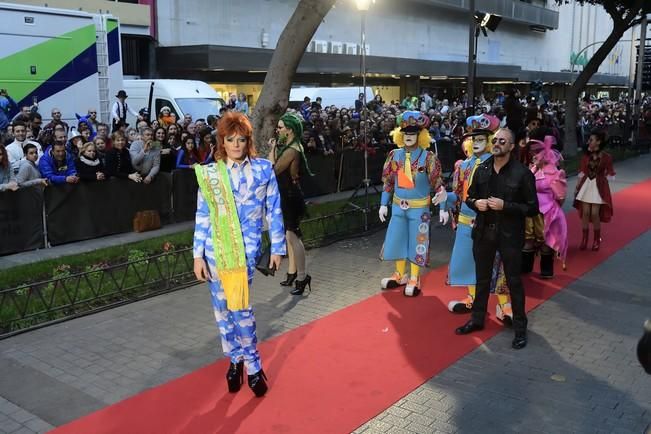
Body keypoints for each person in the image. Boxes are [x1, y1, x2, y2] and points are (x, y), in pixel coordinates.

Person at [193, 111, 286, 397]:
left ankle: (254, 366)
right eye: (230, 139)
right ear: (222, 141)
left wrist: (278, 247)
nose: (235, 144)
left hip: (245, 253)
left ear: (248, 141)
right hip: (215, 252)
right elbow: (203, 214)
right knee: (222, 310)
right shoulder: (211, 174)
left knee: (240, 308)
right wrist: (198, 254)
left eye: (241, 139)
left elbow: (274, 208)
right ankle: (235, 360)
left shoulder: (263, 169)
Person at [456, 127, 539, 350]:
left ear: (512, 146)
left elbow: (532, 208)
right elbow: (469, 196)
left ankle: (520, 328)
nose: (497, 143)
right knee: (481, 279)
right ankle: (477, 319)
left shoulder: (522, 174)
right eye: (496, 140)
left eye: (503, 141)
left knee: (513, 281)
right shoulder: (482, 168)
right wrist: (476, 203)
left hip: (510, 235)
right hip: (484, 232)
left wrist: (507, 206)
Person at [443, 128, 513, 324]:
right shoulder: (463, 166)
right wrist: (444, 198)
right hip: (466, 223)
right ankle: (473, 299)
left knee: (497, 264)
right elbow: (457, 196)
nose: (476, 142)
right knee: (468, 263)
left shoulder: (498, 165)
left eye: (481, 139)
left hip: (490, 223)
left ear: (490, 141)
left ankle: (503, 305)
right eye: (473, 139)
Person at [378, 111, 447, 296]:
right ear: (401, 134)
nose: (409, 137)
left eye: (413, 134)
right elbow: (388, 182)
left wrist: (443, 207)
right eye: (406, 133)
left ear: (420, 135)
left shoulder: (428, 157)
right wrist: (383, 204)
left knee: (418, 242)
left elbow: (438, 184)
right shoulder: (394, 155)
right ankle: (399, 274)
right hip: (398, 207)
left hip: (419, 209)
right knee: (397, 239)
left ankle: (414, 277)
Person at [268, 113, 312, 295]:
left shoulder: (293, 149)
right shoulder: (288, 146)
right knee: (289, 236)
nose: (277, 131)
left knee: (293, 237)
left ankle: (302, 277)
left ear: (290, 130)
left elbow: (274, 170)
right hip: (286, 194)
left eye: (280, 128)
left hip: (290, 196)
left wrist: (271, 150)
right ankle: (292, 272)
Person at [521, 130, 568, 278]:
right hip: (530, 210)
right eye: (532, 151)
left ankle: (546, 270)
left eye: (537, 151)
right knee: (527, 239)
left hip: (547, 213)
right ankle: (525, 267)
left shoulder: (554, 173)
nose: (533, 155)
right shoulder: (532, 170)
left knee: (546, 242)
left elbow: (560, 196)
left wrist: (553, 209)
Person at [574, 130, 614, 251]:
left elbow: (610, 172)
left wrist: (605, 179)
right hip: (586, 185)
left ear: (598, 141)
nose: (589, 142)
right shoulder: (586, 156)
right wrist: (577, 186)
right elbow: (582, 171)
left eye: (591, 140)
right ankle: (584, 239)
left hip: (598, 187)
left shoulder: (606, 157)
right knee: (585, 213)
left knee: (594, 213)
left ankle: (596, 239)